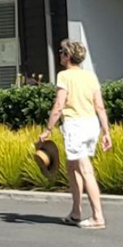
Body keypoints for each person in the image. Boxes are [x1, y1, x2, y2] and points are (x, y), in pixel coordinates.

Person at [40, 38, 112, 229]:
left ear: (68, 56)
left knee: (85, 169)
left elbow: (59, 106)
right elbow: (100, 106)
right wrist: (106, 132)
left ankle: (98, 216)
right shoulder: (90, 76)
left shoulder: (64, 76)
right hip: (91, 124)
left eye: (62, 52)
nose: (60, 55)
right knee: (73, 166)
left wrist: (47, 130)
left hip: (75, 125)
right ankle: (75, 212)